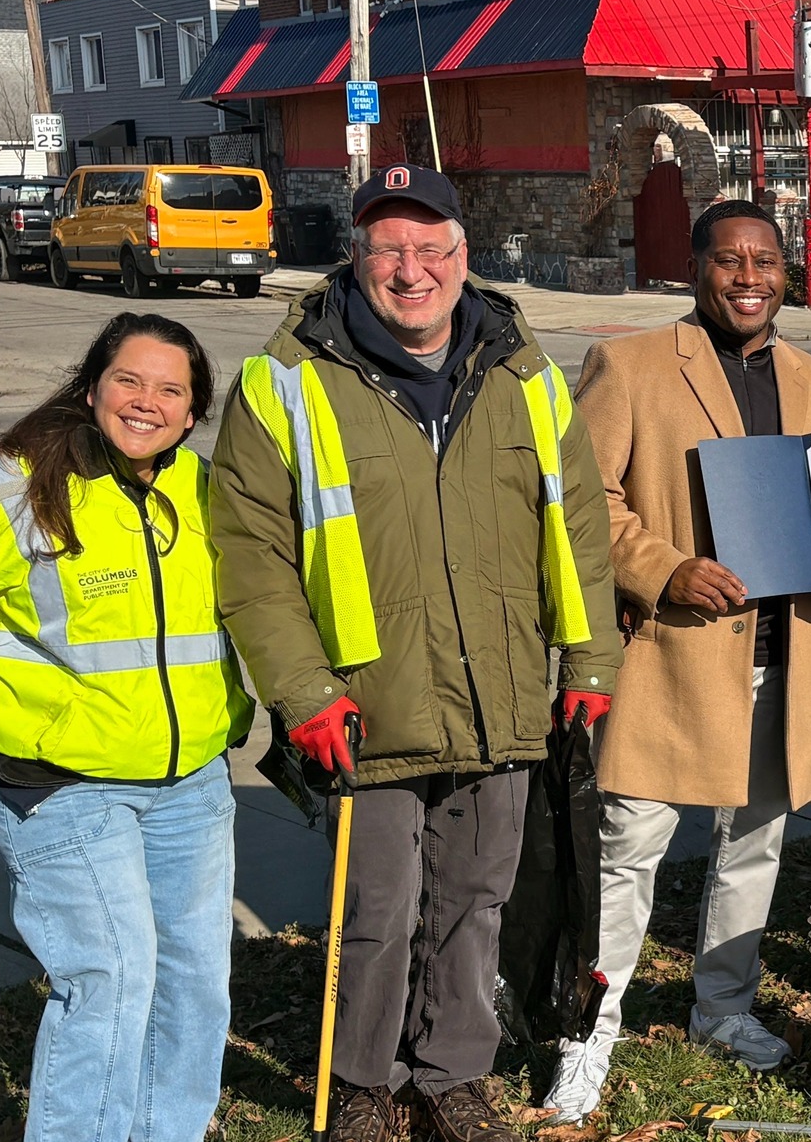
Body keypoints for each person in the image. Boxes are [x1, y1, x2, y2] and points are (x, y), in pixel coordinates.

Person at [210, 165, 621, 1142]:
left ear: (462, 257)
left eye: (431, 247)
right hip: (364, 706)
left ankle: (451, 1075)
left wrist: (590, 662)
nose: (411, 269)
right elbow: (249, 551)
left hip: (503, 695)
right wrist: (302, 690)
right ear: (356, 256)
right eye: (389, 248)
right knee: (377, 913)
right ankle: (364, 1082)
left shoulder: (523, 369)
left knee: (477, 900)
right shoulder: (287, 379)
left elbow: (578, 525)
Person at [0, 314, 254, 1142]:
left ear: (192, 413)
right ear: (91, 385)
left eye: (170, 390)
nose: (146, 402)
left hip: (190, 786)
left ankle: (167, 1130)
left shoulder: (204, 489)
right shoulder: (7, 485)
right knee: (109, 977)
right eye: (129, 380)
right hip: (64, 791)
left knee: (193, 979)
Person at [553, 200, 811, 1117]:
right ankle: (591, 1031)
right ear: (695, 268)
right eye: (729, 259)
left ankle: (722, 1007)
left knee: (753, 847)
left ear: (787, 272)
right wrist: (664, 568)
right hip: (670, 652)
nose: (748, 276)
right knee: (629, 851)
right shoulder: (635, 362)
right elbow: (585, 500)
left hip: (781, 653)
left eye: (765, 260)